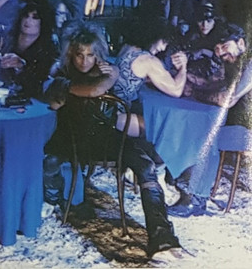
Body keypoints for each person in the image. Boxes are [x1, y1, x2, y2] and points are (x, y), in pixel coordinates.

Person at [43, 22, 180, 259]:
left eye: (90, 55)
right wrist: (64, 85)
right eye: (79, 55)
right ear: (71, 54)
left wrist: (74, 87)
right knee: (50, 159)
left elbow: (99, 88)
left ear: (98, 54)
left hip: (106, 138)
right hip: (72, 140)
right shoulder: (63, 73)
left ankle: (162, 236)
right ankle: (53, 199)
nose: (84, 61)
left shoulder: (108, 71)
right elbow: (58, 101)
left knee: (146, 166)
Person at [168, 23, 252, 217]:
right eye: (218, 48)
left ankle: (195, 199)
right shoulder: (234, 62)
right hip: (237, 125)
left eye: (225, 46)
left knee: (204, 135)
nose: (221, 52)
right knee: (198, 127)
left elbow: (226, 99)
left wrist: (196, 93)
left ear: (241, 43)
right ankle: (183, 183)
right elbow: (216, 84)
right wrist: (192, 80)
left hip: (247, 133)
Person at [112, 18, 188, 137]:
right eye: (164, 42)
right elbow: (176, 91)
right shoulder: (148, 60)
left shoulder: (127, 48)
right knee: (164, 130)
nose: (163, 48)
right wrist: (183, 67)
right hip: (117, 117)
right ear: (154, 36)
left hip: (106, 110)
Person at [0, 0, 55, 99]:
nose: (28, 21)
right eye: (25, 15)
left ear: (43, 22)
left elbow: (39, 83)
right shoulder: (6, 39)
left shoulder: (48, 49)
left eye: (35, 18)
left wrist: (21, 67)